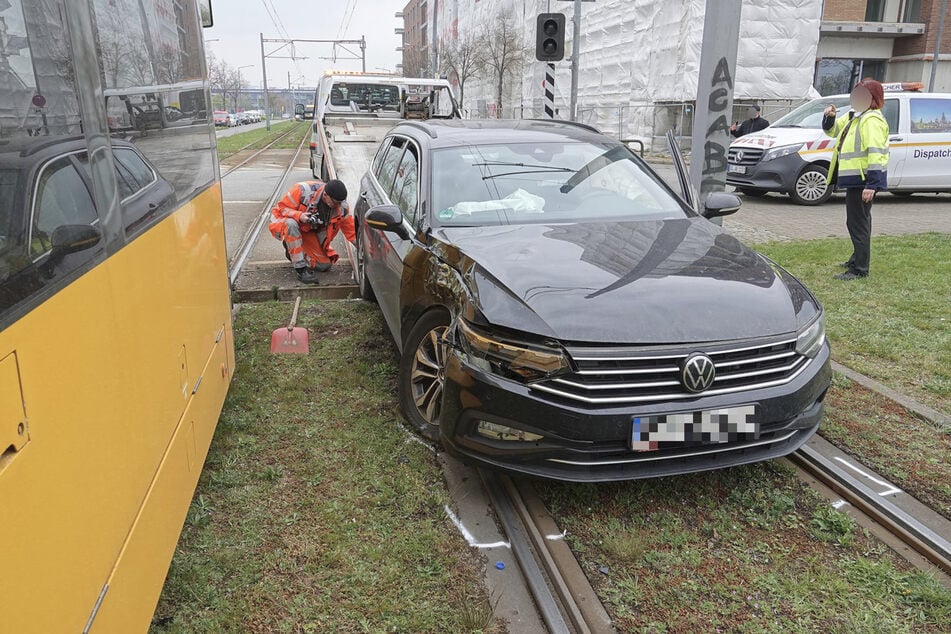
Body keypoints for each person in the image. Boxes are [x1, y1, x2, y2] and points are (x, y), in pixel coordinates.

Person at [821, 78, 889, 280]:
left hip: (862, 180)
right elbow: (832, 131)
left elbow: (876, 153)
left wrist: (872, 184)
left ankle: (859, 269)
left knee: (857, 224)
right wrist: (829, 117)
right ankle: (856, 260)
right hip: (855, 179)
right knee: (859, 222)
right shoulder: (854, 116)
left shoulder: (871, 120)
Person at [268, 179, 355, 284]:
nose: (338, 206)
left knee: (324, 265)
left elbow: (351, 231)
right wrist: (299, 215)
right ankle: (301, 270)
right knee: (291, 225)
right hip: (283, 222)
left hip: (307, 230)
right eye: (336, 203)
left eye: (340, 202)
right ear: (325, 195)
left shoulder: (341, 207)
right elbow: (282, 208)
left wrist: (365, 249)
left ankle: (291, 250)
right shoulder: (301, 190)